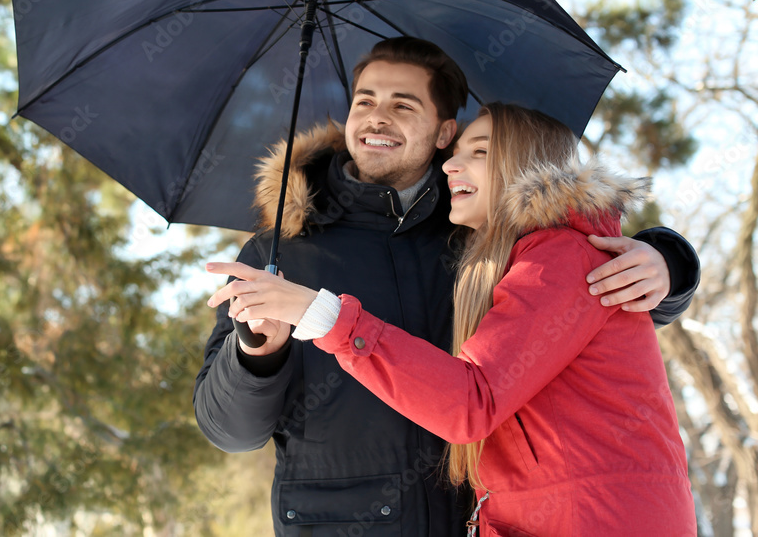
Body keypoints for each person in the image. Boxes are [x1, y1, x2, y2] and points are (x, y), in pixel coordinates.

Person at [193, 38, 699, 536]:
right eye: (364, 101)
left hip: (491, 518)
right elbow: (230, 431)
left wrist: (669, 263)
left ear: (442, 131)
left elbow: (599, 301)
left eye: (403, 104)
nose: (376, 116)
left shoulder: (484, 236)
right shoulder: (278, 254)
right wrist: (258, 349)